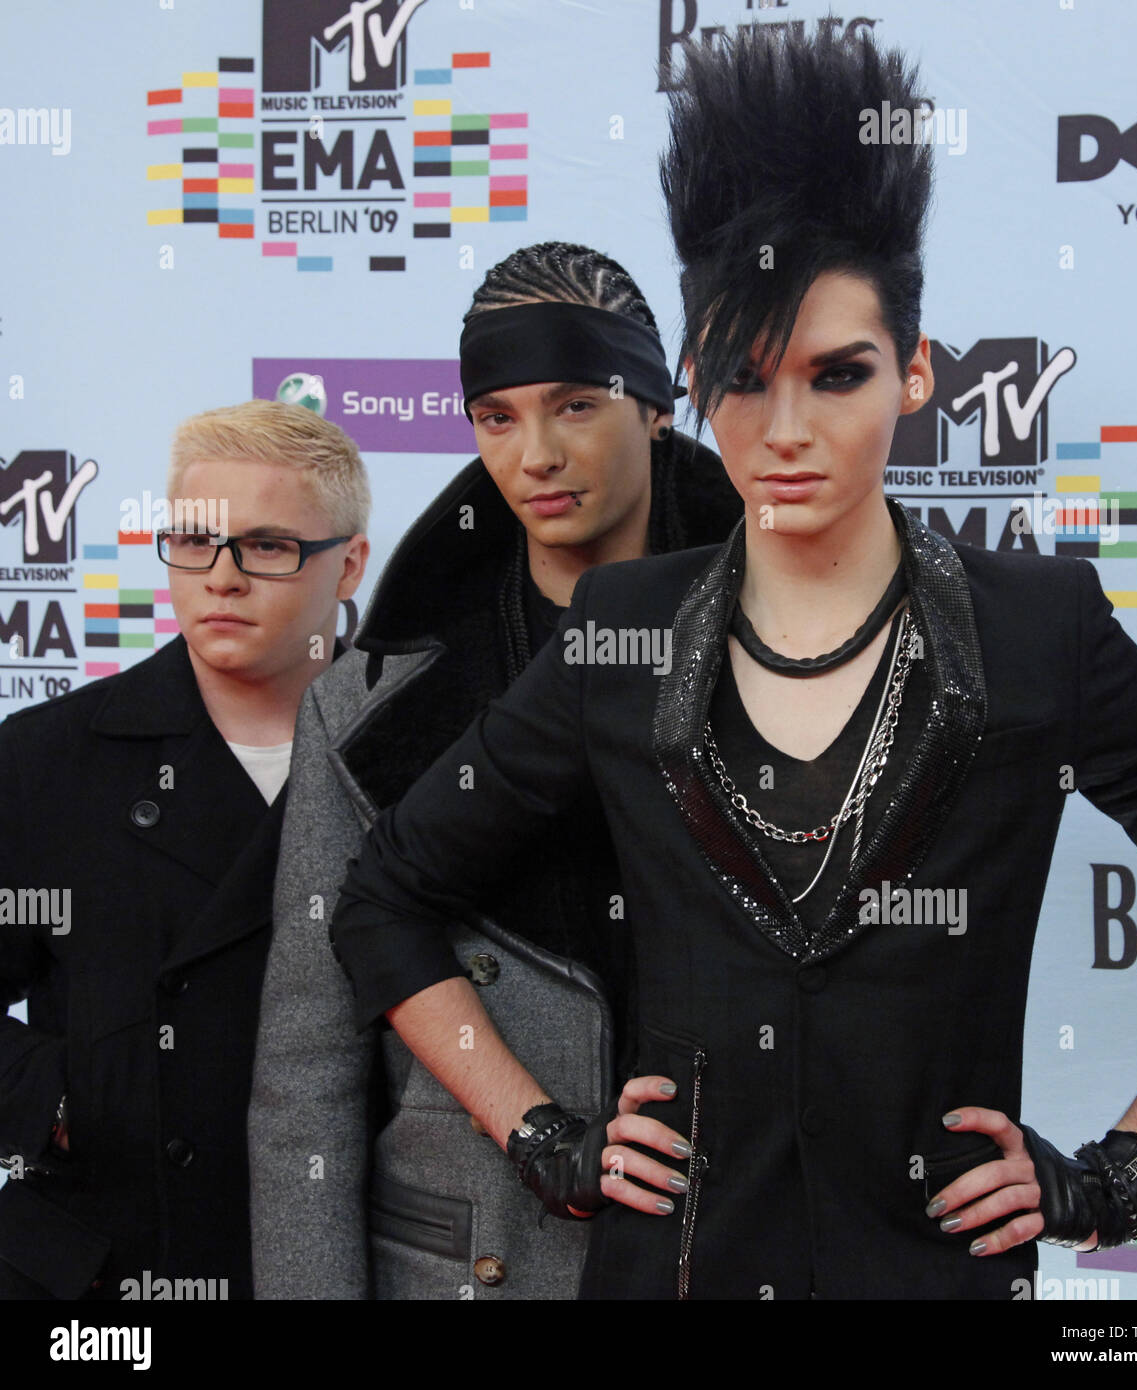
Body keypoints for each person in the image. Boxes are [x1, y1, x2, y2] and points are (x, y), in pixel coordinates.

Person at [330, 30, 1137, 1299]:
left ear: (916, 374)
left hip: (941, 1274)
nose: (788, 430)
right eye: (746, 382)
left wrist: (1118, 1172)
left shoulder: (1042, 629)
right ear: (694, 384)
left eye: (839, 374)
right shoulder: (624, 629)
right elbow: (381, 898)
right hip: (677, 1268)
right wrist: (543, 1135)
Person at [247, 243, 740, 1299]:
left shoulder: (805, 650)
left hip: (734, 1241)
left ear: (656, 406)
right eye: (498, 417)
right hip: (475, 1261)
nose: (536, 456)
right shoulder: (370, 702)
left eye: (573, 405)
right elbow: (307, 1074)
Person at [0, 399, 369, 1299]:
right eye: (195, 542)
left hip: (349, 1253)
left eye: (269, 546)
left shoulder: (424, 753)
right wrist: (63, 1096)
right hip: (106, 1269)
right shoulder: (45, 759)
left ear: (349, 564)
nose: (222, 578)